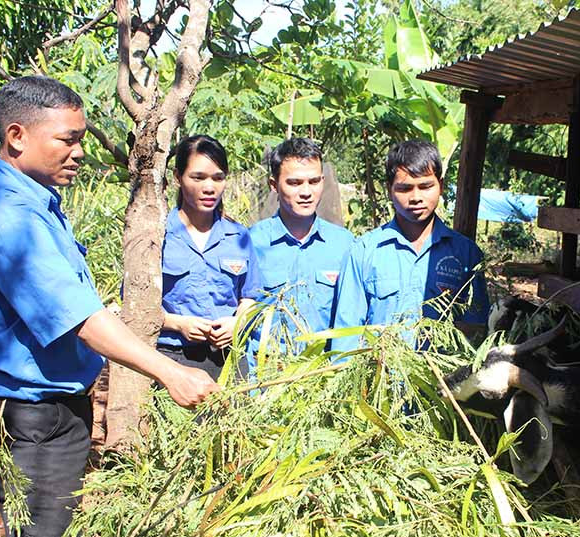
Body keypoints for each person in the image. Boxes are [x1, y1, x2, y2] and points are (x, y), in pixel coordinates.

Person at [0, 76, 219, 537]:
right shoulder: (12, 220)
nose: (79, 151)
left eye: (81, 138)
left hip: (55, 407)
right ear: (16, 136)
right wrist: (170, 371)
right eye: (67, 139)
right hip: (32, 418)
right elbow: (82, 319)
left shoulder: (40, 204)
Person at [331, 140, 489, 353]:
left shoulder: (467, 255)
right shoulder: (364, 251)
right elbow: (347, 333)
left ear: (440, 186)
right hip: (380, 378)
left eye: (426, 186)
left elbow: (476, 333)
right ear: (389, 190)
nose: (416, 197)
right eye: (405, 188)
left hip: (444, 381)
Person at [158, 134, 262, 380]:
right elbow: (137, 305)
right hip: (173, 358)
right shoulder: (158, 236)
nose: (209, 187)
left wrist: (237, 323)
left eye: (218, 178)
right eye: (198, 177)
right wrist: (178, 324)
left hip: (229, 359)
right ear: (177, 178)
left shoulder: (237, 236)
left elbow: (251, 297)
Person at [247, 138, 353, 368]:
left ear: (322, 181)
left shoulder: (345, 245)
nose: (306, 192)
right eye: (294, 183)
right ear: (273, 185)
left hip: (322, 377)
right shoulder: (251, 242)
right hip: (263, 377)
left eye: (313, 181)